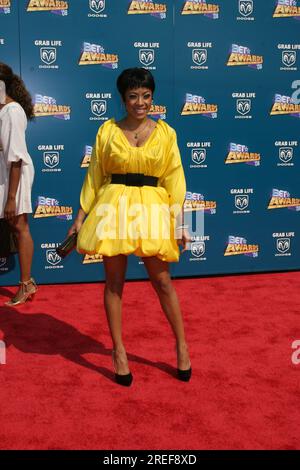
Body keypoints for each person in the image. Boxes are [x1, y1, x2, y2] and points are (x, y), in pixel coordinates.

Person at [69, 68, 191, 386]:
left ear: (152, 97)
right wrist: (79, 218)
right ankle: (119, 351)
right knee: (114, 283)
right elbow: (95, 176)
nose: (141, 102)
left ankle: (181, 345)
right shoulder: (107, 131)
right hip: (114, 207)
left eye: (146, 96)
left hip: (152, 206)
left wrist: (182, 224)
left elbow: (175, 180)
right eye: (134, 96)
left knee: (162, 280)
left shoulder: (167, 133)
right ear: (123, 99)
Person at [0, 62, 37, 306]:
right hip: (3, 175)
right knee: (15, 225)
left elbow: (15, 157)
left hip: (14, 176)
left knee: (19, 225)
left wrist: (11, 197)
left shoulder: (12, 111)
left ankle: (26, 284)